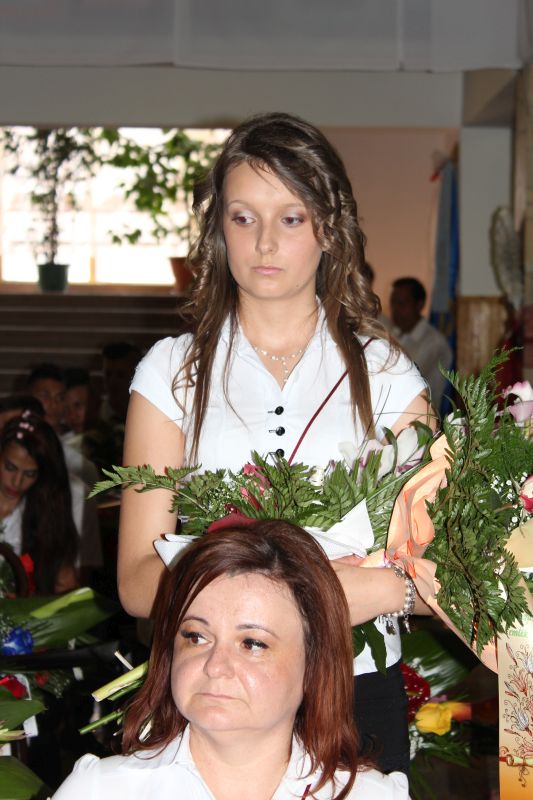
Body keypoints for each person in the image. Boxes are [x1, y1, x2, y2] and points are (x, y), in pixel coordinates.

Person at [120, 112, 435, 773]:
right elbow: (137, 579)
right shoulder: (172, 373)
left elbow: (445, 560)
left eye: (290, 218)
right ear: (219, 228)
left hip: (354, 687)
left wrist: (392, 593)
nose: (264, 241)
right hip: (215, 690)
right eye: (243, 217)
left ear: (329, 229)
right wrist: (289, 594)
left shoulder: (384, 374)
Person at [53, 521, 409, 799]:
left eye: (252, 643)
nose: (215, 665)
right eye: (196, 636)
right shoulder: (101, 791)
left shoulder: (373, 796)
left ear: (314, 665)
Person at [0, 413, 79, 593]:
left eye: (29, 474)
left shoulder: (47, 517)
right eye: (10, 467)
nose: (17, 482)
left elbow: (66, 587)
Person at [389, 278, 452, 410]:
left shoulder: (434, 341)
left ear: (420, 305)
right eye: (393, 303)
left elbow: (404, 378)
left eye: (402, 303)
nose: (395, 309)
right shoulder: (393, 333)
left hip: (422, 418)